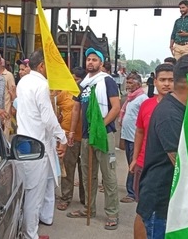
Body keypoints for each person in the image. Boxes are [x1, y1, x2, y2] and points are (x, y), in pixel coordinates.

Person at [137, 53, 188, 239]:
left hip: (175, 202)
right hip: (162, 202)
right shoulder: (170, 115)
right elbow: (183, 165)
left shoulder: (187, 109)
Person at [67, 47, 121, 231]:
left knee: (108, 175)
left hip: (103, 135)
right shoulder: (83, 84)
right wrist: (72, 131)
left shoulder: (107, 81)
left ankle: (112, 213)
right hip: (85, 136)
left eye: (94, 60)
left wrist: (101, 125)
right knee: (87, 174)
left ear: (101, 63)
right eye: (88, 59)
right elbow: (76, 109)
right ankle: (88, 208)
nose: (90, 62)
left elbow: (116, 107)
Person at [15, 50, 67, 239]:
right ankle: (30, 234)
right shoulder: (41, 84)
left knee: (28, 190)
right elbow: (48, 118)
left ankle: (26, 229)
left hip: (23, 143)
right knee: (34, 195)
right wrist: (63, 137)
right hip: (37, 146)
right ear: (42, 66)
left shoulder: (23, 81)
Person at [129, 63, 174, 239]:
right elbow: (139, 132)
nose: (166, 84)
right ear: (154, 82)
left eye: (171, 80)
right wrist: (134, 159)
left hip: (168, 168)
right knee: (143, 211)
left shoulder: (182, 108)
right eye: (162, 80)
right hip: (144, 165)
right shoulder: (146, 105)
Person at [56, 67, 86, 211]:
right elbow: (54, 105)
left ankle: (85, 198)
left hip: (85, 135)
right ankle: (66, 197)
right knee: (68, 167)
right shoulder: (65, 92)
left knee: (84, 169)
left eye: (78, 80)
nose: (75, 82)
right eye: (73, 79)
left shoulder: (87, 92)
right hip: (68, 135)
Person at [119, 73, 147, 204]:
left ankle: (132, 192)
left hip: (135, 138)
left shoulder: (142, 99)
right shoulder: (130, 99)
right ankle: (131, 189)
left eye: (131, 83)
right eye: (127, 82)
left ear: (138, 84)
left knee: (133, 165)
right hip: (128, 137)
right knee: (130, 165)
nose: (128, 85)